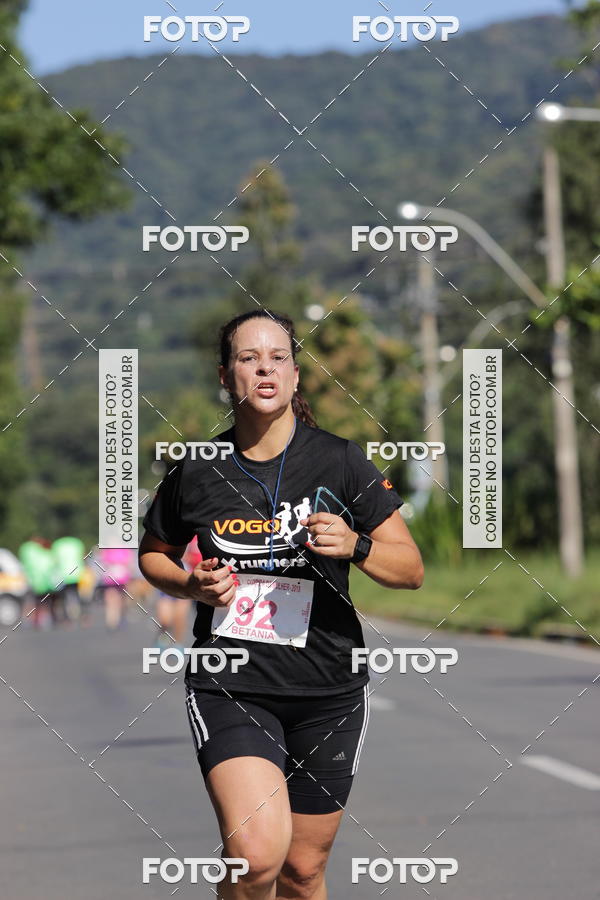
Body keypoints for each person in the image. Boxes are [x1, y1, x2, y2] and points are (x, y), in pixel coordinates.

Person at [139, 310, 424, 900]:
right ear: (226, 376)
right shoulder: (196, 468)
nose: (264, 367)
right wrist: (192, 585)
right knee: (255, 855)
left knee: (302, 871)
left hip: (329, 689)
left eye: (278, 357)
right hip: (232, 684)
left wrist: (357, 543)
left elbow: (411, 570)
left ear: (296, 376)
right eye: (248, 358)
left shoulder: (343, 462)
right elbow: (154, 555)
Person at [154, 536, 198, 648]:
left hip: (187, 578)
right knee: (165, 619)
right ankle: (163, 634)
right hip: (168, 577)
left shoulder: (199, 535)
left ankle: (178, 644)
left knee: (180, 617)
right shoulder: (172, 530)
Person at [18, 537, 58, 628]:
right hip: (43, 582)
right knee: (44, 602)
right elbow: (48, 567)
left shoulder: (25, 549)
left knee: (32, 601)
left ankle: (33, 620)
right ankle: (46, 619)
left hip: (30, 580)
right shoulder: (42, 553)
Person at [95, 547, 134, 631]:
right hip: (111, 579)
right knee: (111, 600)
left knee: (119, 600)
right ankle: (112, 621)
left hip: (121, 579)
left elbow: (130, 564)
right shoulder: (108, 550)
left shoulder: (124, 550)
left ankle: (116, 618)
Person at [51, 536, 85, 624]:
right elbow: (82, 556)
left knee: (64, 597)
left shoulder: (57, 544)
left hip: (63, 575)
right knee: (77, 595)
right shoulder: (77, 542)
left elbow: (54, 560)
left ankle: (67, 618)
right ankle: (80, 614)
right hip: (76, 574)